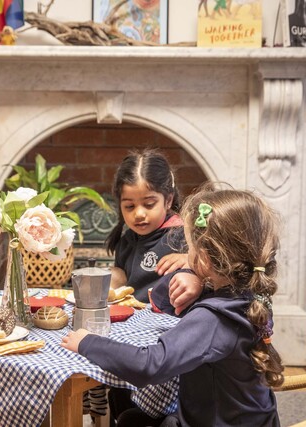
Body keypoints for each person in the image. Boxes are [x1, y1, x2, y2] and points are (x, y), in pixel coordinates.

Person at [62, 183, 285, 426]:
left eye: (190, 247)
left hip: (218, 422)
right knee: (130, 416)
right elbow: (162, 300)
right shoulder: (248, 292)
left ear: (205, 257)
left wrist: (87, 342)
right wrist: (191, 274)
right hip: (249, 418)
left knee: (130, 419)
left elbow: (149, 365)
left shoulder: (213, 319)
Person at [100, 148, 202, 425]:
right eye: (129, 206)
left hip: (167, 342)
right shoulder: (127, 238)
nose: (139, 214)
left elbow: (215, 269)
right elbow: (124, 277)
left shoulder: (183, 235)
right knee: (117, 389)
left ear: (168, 199)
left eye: (148, 203)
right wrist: (114, 277)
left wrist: (191, 260)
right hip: (131, 332)